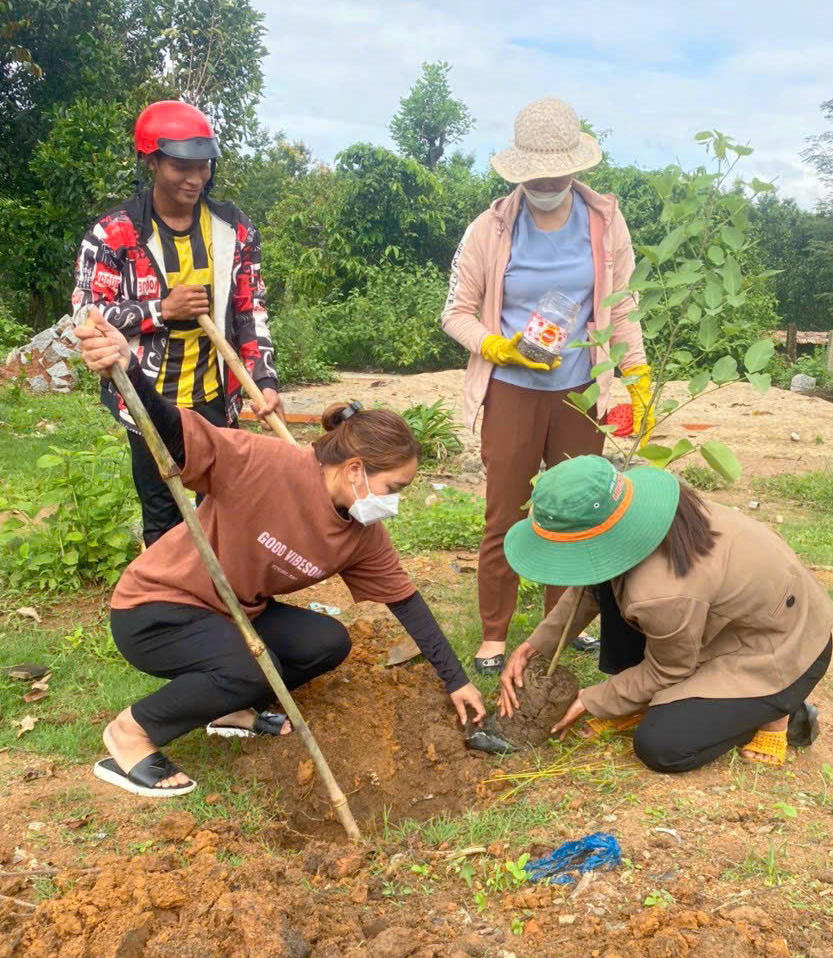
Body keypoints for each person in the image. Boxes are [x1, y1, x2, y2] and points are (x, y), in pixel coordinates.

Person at [74, 316, 486, 797]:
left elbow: (406, 602)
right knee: (250, 665)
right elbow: (177, 432)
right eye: (395, 487)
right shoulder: (264, 465)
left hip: (233, 615)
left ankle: (228, 707)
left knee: (326, 642)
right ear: (355, 470)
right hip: (157, 610)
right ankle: (131, 733)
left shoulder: (360, 531)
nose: (394, 502)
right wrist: (129, 371)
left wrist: (457, 681)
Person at [440, 96, 654, 676]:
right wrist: (495, 345)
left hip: (582, 389)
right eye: (535, 173)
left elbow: (622, 304)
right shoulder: (490, 228)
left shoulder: (605, 221)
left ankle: (563, 624)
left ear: (575, 166)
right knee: (505, 510)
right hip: (511, 387)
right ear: (519, 170)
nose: (547, 181)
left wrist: (637, 378)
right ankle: (492, 633)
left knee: (578, 508)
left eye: (557, 170)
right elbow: (455, 312)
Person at [498, 455, 833, 772]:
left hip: (780, 648)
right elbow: (590, 587)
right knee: (615, 595)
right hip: (725, 622)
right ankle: (656, 700)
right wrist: (534, 646)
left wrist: (594, 700)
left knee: (662, 744)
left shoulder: (660, 592)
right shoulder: (642, 518)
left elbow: (670, 668)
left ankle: (780, 711)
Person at [72, 100, 283, 547]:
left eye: (203, 165)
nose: (194, 178)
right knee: (165, 516)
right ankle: (167, 608)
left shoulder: (233, 229)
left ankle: (222, 601)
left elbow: (251, 310)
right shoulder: (115, 232)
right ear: (151, 160)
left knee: (225, 508)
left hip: (215, 398)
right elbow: (86, 315)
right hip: (148, 398)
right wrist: (160, 310)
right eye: (180, 166)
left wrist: (263, 380)